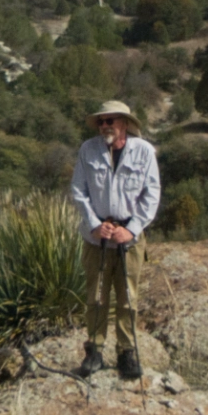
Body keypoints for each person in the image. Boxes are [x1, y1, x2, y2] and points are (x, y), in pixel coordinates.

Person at [69, 99, 161, 379]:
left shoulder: (144, 152)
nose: (104, 126)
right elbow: (78, 191)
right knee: (96, 297)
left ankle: (127, 353)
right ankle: (94, 351)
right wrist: (95, 225)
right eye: (101, 121)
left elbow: (152, 193)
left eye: (110, 121)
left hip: (129, 239)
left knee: (127, 298)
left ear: (124, 123)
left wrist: (131, 229)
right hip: (97, 238)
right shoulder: (88, 149)